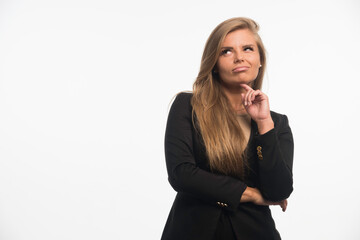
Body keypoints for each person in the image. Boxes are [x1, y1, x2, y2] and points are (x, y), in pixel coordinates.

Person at [161, 17, 294, 240]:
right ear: (214, 63)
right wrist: (250, 194)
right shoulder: (187, 106)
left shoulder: (276, 123)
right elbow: (181, 174)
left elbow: (279, 191)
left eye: (248, 49)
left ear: (260, 59)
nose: (239, 57)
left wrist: (264, 124)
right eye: (226, 51)